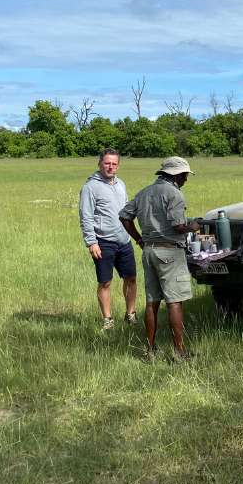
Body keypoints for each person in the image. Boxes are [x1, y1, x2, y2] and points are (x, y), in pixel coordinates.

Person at [119, 156, 200, 362]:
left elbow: (124, 216)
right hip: (170, 252)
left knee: (152, 301)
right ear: (176, 175)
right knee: (174, 301)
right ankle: (179, 352)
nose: (186, 179)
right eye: (184, 175)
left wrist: (139, 239)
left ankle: (150, 351)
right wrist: (193, 226)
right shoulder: (174, 194)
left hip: (149, 251)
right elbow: (178, 227)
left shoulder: (145, 192)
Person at [78, 148, 138, 330]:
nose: (110, 167)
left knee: (131, 278)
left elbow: (126, 210)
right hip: (103, 242)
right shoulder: (90, 187)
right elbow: (85, 216)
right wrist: (92, 242)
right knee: (105, 282)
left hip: (124, 240)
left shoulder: (121, 184)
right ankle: (108, 320)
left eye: (114, 163)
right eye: (107, 163)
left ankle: (130, 314)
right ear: (99, 164)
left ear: (118, 165)